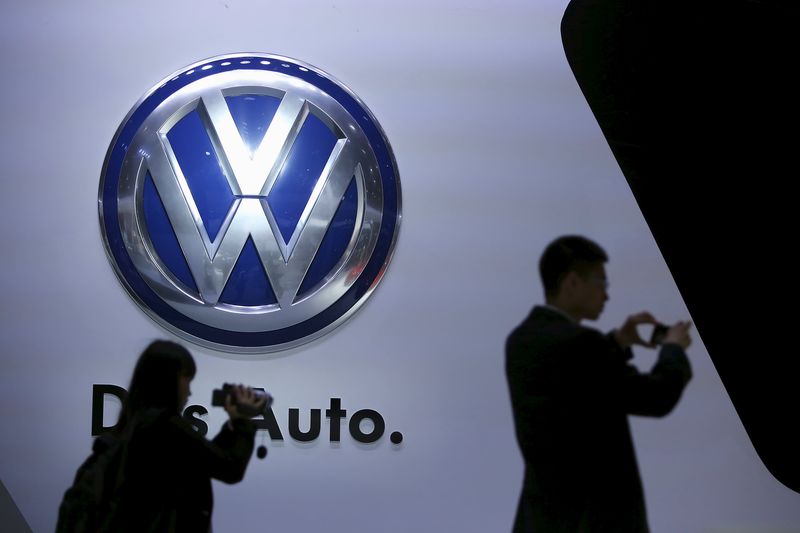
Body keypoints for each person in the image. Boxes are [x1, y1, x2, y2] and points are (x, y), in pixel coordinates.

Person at [505, 235, 692, 533]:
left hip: (541, 518)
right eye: (601, 283)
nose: (606, 295)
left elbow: (575, 383)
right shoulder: (581, 345)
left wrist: (617, 342)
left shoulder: (521, 339)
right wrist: (673, 349)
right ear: (573, 282)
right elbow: (656, 397)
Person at [106, 340, 266, 532]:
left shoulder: (137, 423)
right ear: (169, 378)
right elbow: (229, 468)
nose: (189, 391)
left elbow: (201, 461)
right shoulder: (166, 426)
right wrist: (242, 422)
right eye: (186, 379)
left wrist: (234, 423)